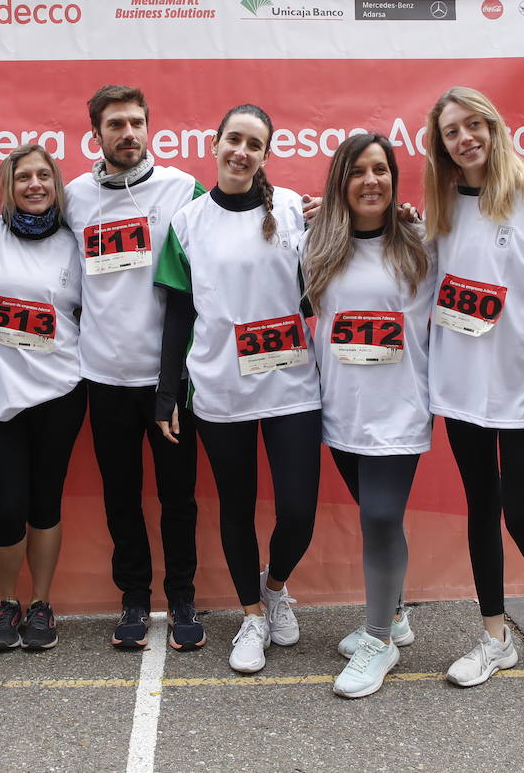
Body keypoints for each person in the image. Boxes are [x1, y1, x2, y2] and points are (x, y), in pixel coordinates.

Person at [422, 86, 524, 688]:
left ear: (493, 128)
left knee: (521, 514)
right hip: (463, 391)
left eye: (474, 126)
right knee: (480, 511)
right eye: (451, 132)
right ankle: (494, 638)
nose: (465, 139)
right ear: (439, 146)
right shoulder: (440, 207)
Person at [155, 104, 322, 675]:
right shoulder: (188, 221)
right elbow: (178, 314)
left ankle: (274, 587)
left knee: (298, 511)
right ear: (216, 142)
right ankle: (252, 616)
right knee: (237, 505)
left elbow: (315, 287)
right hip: (219, 387)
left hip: (291, 383)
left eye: (254, 144)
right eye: (233, 139)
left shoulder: (296, 211)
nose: (241, 151)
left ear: (265, 155)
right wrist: (166, 391)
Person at [63, 85, 206, 652]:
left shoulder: (181, 188)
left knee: (179, 496)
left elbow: (237, 215)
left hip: (169, 380)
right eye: (115, 124)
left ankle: (185, 596)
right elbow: (11, 229)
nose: (128, 134)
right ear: (95, 133)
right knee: (120, 496)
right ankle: (134, 598)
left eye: (137, 123)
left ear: (150, 128)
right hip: (103, 378)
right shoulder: (73, 196)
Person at [303, 133, 435, 698]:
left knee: (380, 517)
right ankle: (397, 613)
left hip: (399, 410)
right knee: (375, 513)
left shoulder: (421, 244)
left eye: (381, 169)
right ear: (341, 181)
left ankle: (379, 639)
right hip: (342, 410)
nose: (371, 180)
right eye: (358, 171)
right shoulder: (318, 245)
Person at [0, 144, 86, 652]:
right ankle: (5, 602)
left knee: (45, 504)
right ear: (7, 186)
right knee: (6, 507)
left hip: (61, 390)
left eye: (44, 176)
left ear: (57, 184)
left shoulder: (74, 240)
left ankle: (40, 604)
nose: (35, 185)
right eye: (24, 177)